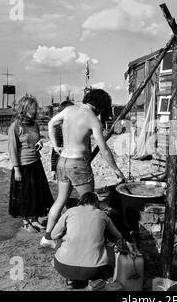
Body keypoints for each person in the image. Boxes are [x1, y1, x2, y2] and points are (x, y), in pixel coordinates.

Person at [41, 89, 126, 248]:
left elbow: (51, 123)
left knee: (60, 200)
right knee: (90, 205)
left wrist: (55, 145)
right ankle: (88, 241)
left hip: (62, 161)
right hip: (78, 165)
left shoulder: (68, 109)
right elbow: (104, 149)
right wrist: (116, 170)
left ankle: (47, 238)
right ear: (100, 107)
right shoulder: (93, 119)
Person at [51, 192, 122, 289]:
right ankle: (97, 278)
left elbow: (54, 235)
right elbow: (118, 237)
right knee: (106, 239)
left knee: (62, 236)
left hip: (62, 267)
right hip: (94, 270)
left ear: (80, 202)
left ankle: (71, 279)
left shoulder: (70, 211)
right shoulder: (102, 215)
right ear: (97, 203)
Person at [8, 95, 54, 232]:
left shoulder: (34, 124)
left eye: (35, 108)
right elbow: (12, 148)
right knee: (24, 195)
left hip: (36, 162)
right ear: (24, 108)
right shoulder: (15, 126)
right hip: (23, 165)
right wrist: (16, 169)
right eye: (31, 108)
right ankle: (26, 222)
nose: (34, 110)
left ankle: (34, 220)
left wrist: (40, 142)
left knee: (35, 193)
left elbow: (37, 139)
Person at [50, 100, 74, 180]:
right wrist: (53, 169)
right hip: (63, 163)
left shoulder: (79, 126)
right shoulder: (58, 128)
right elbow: (55, 149)